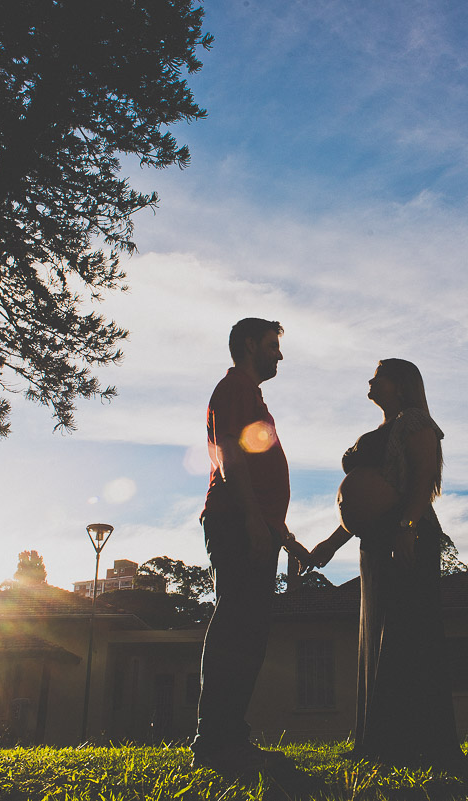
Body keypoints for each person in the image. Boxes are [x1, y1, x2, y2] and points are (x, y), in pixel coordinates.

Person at [310, 358, 461, 764]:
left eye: (378, 376)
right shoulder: (382, 429)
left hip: (404, 536)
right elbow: (365, 501)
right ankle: (379, 740)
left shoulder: (415, 423)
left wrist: (407, 527)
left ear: (399, 384)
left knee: (406, 630)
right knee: (377, 632)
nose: (371, 381)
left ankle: (415, 742)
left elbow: (422, 479)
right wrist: (331, 542)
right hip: (375, 541)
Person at [192, 318, 310, 772]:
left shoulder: (250, 395)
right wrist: (253, 523)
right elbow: (231, 460)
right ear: (248, 345)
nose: (278, 355)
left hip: (252, 525)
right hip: (236, 524)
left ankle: (228, 737)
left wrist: (282, 536)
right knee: (237, 628)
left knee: (249, 630)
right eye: (272, 346)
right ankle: (216, 742)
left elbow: (259, 479)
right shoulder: (233, 389)